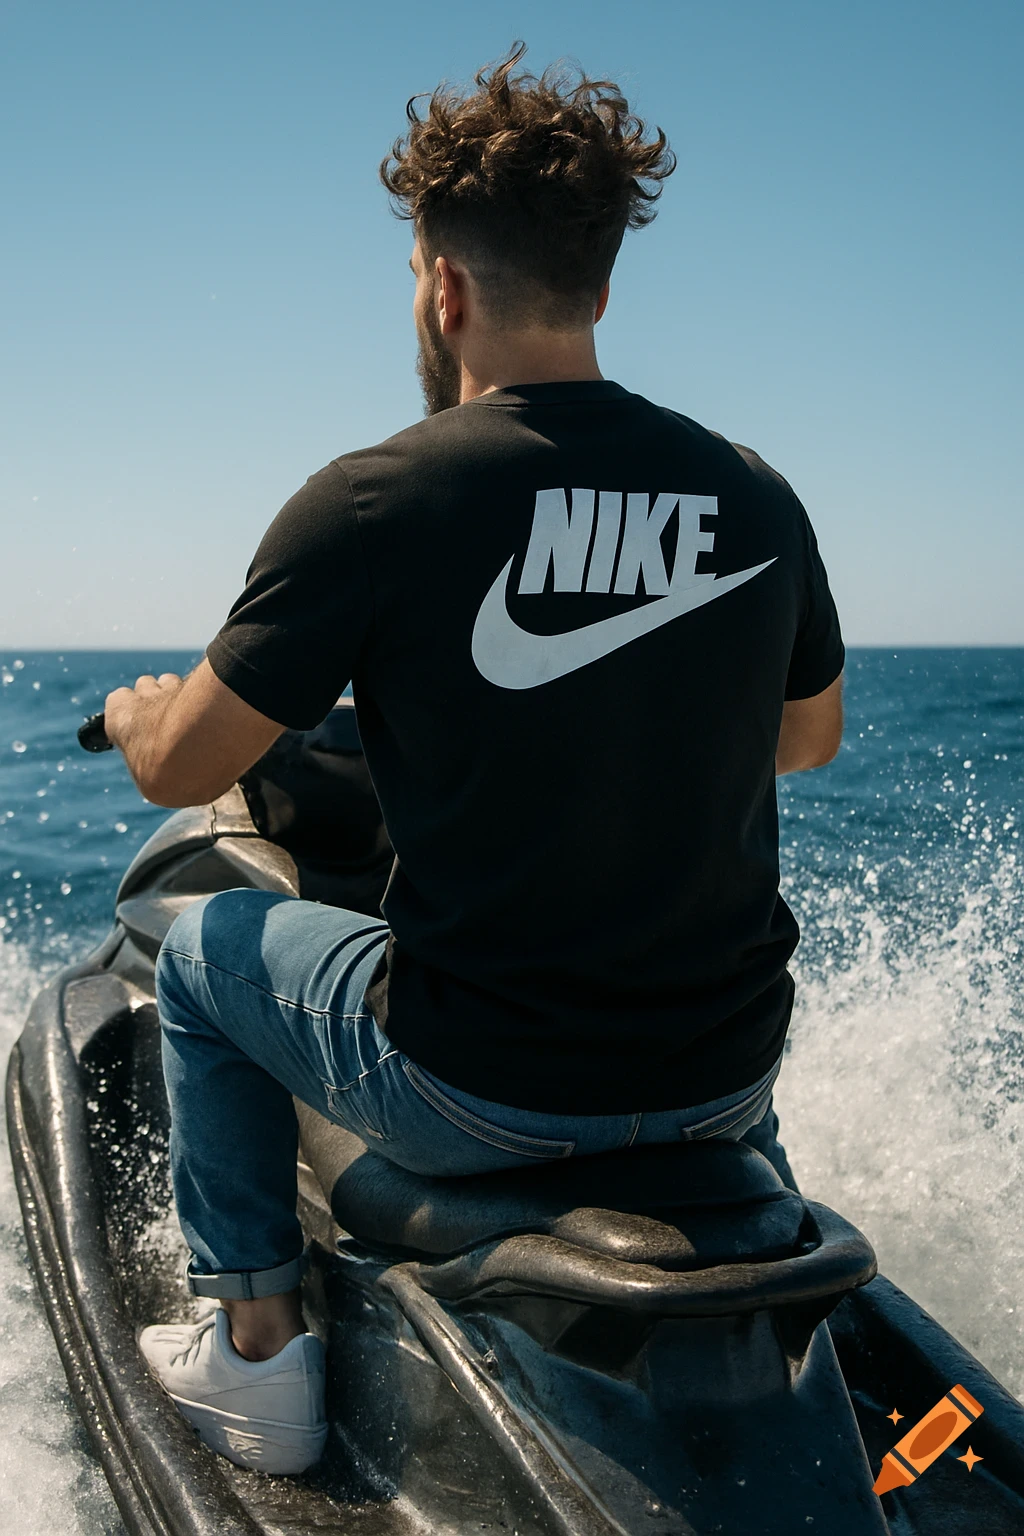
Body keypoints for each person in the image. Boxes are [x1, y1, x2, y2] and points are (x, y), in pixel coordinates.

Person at [104, 46, 844, 1476]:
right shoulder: (753, 491)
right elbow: (805, 742)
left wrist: (144, 715)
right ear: (604, 283)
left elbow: (176, 765)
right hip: (723, 1080)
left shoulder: (375, 498)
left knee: (202, 958)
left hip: (480, 1094)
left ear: (442, 285)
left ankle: (255, 1357)